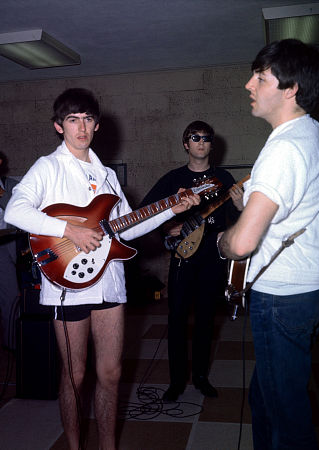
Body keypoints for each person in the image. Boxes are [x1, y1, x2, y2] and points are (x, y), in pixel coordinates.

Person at [4, 88, 200, 450]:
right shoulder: (48, 167)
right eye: (73, 120)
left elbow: (126, 225)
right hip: (67, 282)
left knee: (110, 373)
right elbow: (14, 211)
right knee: (75, 375)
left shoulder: (107, 174)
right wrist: (70, 230)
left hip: (108, 283)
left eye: (88, 119)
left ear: (97, 125)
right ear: (59, 126)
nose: (81, 127)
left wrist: (172, 209)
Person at [218, 39, 319, 450]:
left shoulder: (284, 146)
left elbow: (242, 244)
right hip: (318, 290)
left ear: (290, 88)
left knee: (285, 418)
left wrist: (224, 240)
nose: (248, 84)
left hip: (283, 296)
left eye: (261, 76)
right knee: (266, 397)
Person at [139, 120, 243, 402]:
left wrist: (239, 207)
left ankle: (200, 377)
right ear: (186, 144)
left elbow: (237, 222)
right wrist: (166, 227)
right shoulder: (173, 179)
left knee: (206, 318)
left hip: (212, 256)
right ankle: (176, 381)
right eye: (194, 137)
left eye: (206, 138)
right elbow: (145, 212)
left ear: (212, 144)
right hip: (183, 256)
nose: (201, 142)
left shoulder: (224, 178)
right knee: (177, 318)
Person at [0, 154, 19, 351]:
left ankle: (12, 344)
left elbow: (16, 212)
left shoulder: (11, 186)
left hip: (5, 246)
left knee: (11, 296)